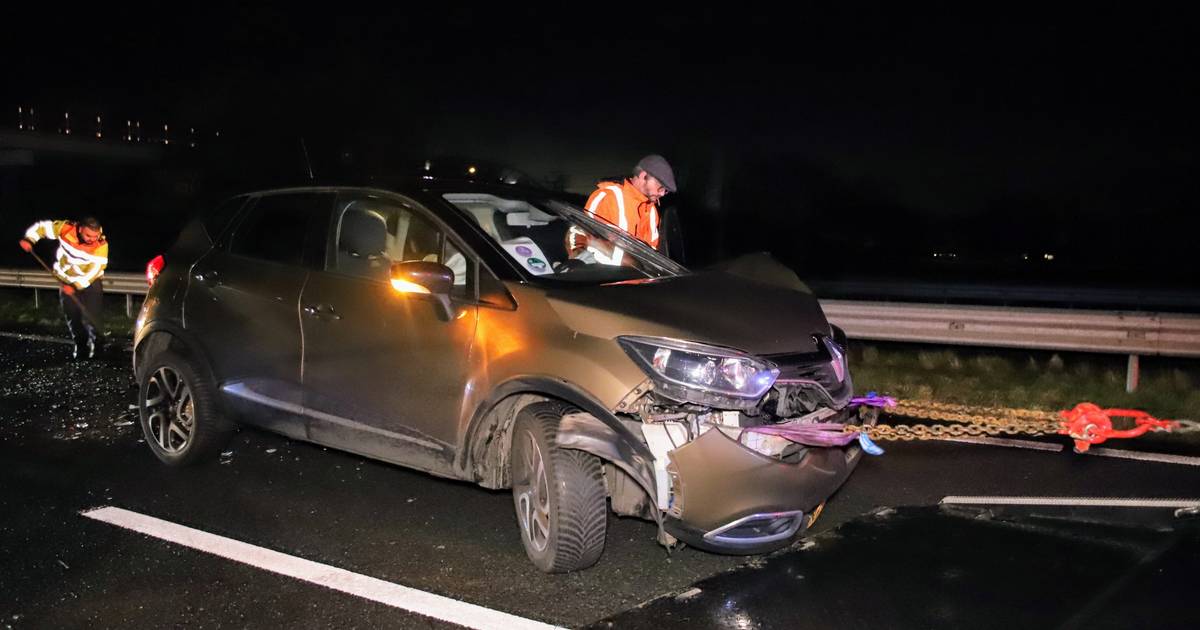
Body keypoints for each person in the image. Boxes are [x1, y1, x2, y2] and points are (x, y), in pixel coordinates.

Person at [18, 217, 109, 359]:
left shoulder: (101, 245)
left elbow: (95, 270)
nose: (92, 239)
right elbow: (42, 228)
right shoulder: (65, 229)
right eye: (88, 235)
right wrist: (30, 239)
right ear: (80, 229)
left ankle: (98, 346)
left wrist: (75, 285)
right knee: (72, 316)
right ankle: (80, 346)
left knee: (93, 315)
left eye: (95, 236)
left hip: (90, 281)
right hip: (65, 280)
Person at [569, 154, 677, 264]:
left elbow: (651, 252)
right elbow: (578, 234)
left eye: (666, 190)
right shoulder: (608, 197)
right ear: (644, 176)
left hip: (637, 276)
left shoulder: (651, 210)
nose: (663, 193)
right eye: (661, 187)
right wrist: (577, 263)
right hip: (601, 275)